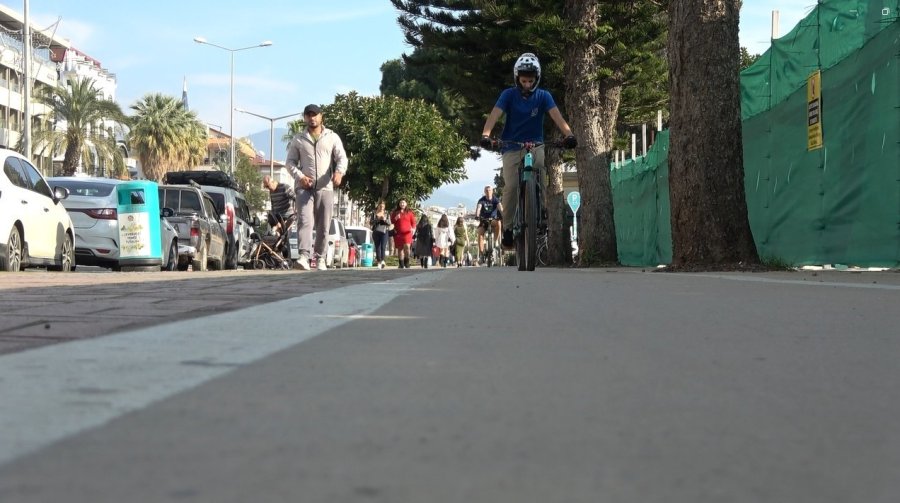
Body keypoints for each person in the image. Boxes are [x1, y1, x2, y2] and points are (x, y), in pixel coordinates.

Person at [480, 52, 578, 248]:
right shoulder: (508, 95)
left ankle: (540, 212)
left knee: (540, 171)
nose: (527, 84)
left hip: (536, 145)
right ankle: (507, 228)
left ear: (537, 79)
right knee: (511, 187)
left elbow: (558, 118)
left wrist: (569, 135)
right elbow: (494, 115)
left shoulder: (544, 96)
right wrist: (486, 135)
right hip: (511, 146)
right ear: (517, 78)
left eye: (530, 80)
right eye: (523, 80)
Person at [285, 104, 348, 271]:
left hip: (325, 188)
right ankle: (304, 256)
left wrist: (339, 172)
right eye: (308, 115)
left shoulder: (332, 137)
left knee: (323, 224)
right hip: (304, 188)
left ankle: (320, 258)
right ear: (305, 118)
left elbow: (342, 158)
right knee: (305, 221)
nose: (312, 118)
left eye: (315, 115)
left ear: (321, 117)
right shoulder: (298, 139)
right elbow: (289, 162)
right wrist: (300, 176)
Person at [263, 174, 296, 258]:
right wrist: (274, 220)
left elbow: (296, 198)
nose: (268, 188)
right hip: (278, 216)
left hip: (287, 216)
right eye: (266, 187)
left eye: (268, 186)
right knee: (270, 214)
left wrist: (297, 210)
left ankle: (286, 257)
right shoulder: (271, 192)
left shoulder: (284, 187)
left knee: (285, 237)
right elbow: (273, 205)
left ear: (272, 181)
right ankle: (276, 255)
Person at [475, 185, 502, 261]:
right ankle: (481, 254)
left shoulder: (495, 199)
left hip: (493, 220)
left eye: (490, 190)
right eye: (486, 191)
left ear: (492, 191)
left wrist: (503, 214)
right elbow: (479, 208)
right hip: (484, 220)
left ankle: (496, 241)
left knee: (499, 223)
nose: (488, 192)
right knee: (480, 234)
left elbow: (500, 207)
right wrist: (477, 215)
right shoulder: (481, 200)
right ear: (484, 192)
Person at [390, 198, 416, 268]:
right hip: (398, 234)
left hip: (407, 233)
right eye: (401, 203)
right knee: (400, 248)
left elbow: (413, 222)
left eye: (403, 203)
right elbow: (392, 221)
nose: (402, 204)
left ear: (406, 204)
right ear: (399, 204)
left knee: (407, 247)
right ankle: (401, 264)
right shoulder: (395, 212)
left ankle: (406, 262)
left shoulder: (410, 212)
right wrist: (396, 218)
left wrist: (413, 229)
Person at [370, 201, 390, 269]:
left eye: (383, 206)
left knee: (383, 247)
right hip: (376, 231)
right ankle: (379, 261)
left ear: (385, 207)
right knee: (377, 247)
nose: (381, 207)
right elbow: (371, 222)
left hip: (384, 231)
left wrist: (385, 220)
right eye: (380, 206)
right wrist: (377, 219)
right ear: (378, 206)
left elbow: (389, 223)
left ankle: (383, 260)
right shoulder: (374, 213)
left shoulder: (387, 213)